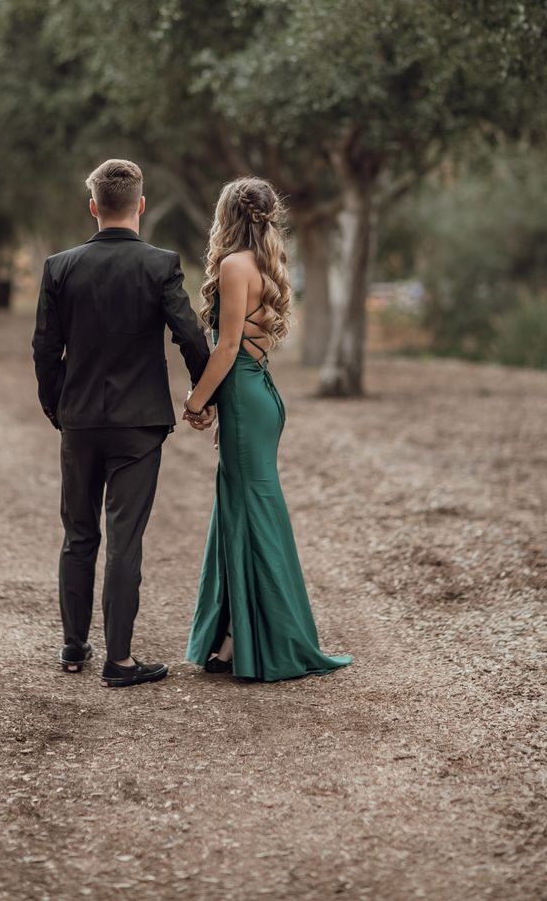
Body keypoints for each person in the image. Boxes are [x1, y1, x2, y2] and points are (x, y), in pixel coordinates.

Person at [32, 159, 215, 688]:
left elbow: (46, 348)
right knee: (124, 540)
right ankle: (120, 660)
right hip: (139, 425)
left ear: (94, 207)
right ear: (139, 205)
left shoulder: (59, 267)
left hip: (81, 420)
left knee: (78, 534)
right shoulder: (160, 265)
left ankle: (72, 647)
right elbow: (189, 336)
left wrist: (56, 407)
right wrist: (203, 398)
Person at [182, 177, 352, 681]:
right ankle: (234, 640)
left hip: (247, 397)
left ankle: (266, 641)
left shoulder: (235, 266)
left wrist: (195, 400)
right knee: (244, 511)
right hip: (254, 399)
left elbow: (228, 348)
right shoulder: (262, 265)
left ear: (227, 215)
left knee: (252, 512)